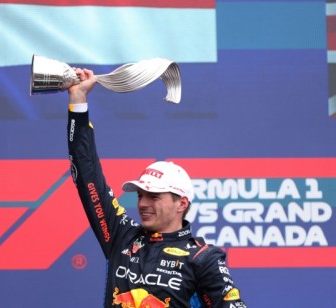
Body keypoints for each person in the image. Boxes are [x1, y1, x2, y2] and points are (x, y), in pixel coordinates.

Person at [67, 68, 247, 308]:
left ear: (181, 203)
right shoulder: (121, 236)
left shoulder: (202, 258)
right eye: (140, 195)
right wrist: (78, 100)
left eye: (154, 196)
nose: (142, 203)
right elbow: (87, 175)